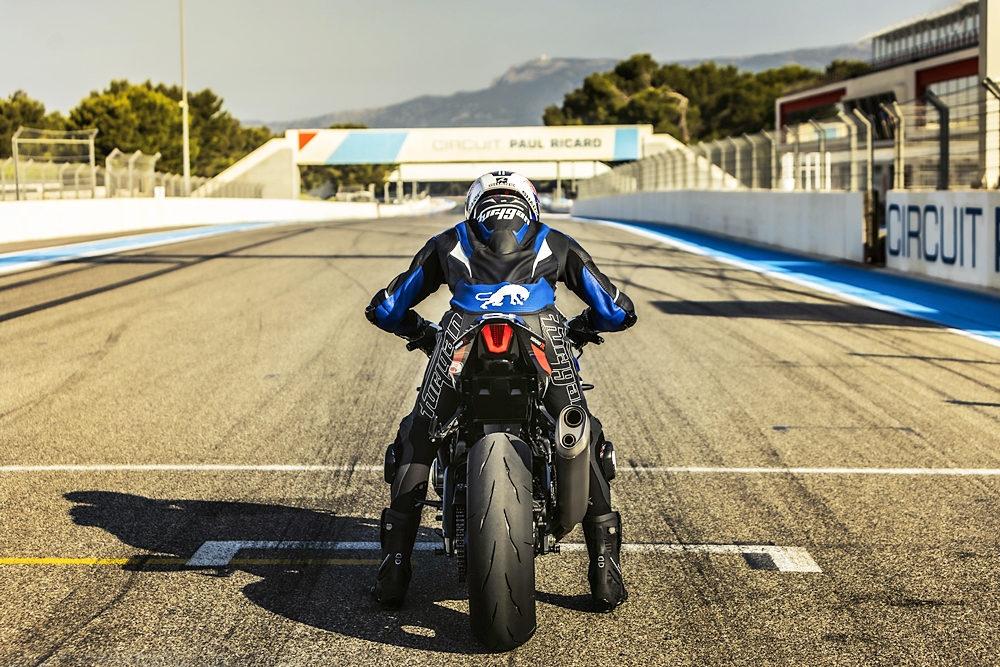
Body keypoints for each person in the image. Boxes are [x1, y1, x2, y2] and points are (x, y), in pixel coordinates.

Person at [364, 171, 636, 612]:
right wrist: (583, 328)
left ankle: (394, 570)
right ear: (531, 206)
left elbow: (386, 309)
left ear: (475, 206)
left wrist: (419, 331)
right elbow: (617, 310)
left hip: (461, 336)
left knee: (418, 437)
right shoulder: (552, 240)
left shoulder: (449, 241)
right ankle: (605, 572)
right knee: (582, 435)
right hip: (543, 335)